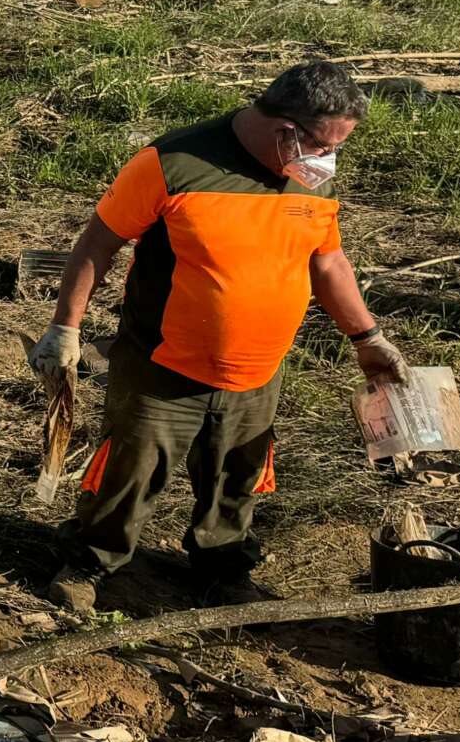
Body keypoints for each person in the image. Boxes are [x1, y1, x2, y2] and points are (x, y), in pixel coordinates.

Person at [30, 62, 407, 613]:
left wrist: (366, 336)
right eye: (323, 146)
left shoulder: (307, 175)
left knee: (238, 479)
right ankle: (91, 562)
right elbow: (96, 246)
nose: (328, 162)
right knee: (130, 473)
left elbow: (327, 261)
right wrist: (65, 328)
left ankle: (223, 570)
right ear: (285, 131)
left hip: (257, 372)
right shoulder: (173, 163)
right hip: (164, 365)